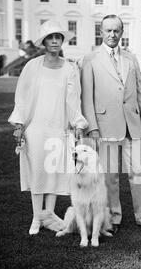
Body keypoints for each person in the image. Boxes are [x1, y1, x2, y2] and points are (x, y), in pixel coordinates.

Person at [81, 14, 141, 235]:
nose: (112, 34)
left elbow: (140, 93)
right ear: (101, 32)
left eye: (116, 30)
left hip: (133, 124)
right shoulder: (89, 60)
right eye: (108, 30)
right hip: (104, 124)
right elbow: (86, 98)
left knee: (138, 173)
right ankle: (114, 218)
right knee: (110, 176)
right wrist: (93, 127)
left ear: (122, 33)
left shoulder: (131, 58)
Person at [8, 20, 88, 235]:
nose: (54, 41)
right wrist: (19, 123)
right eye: (50, 38)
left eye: (58, 37)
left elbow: (74, 100)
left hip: (58, 129)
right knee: (38, 174)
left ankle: (49, 217)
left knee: (53, 174)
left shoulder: (70, 68)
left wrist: (78, 123)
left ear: (62, 41)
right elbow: (22, 97)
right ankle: (36, 218)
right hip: (35, 129)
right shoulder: (32, 66)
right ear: (43, 42)